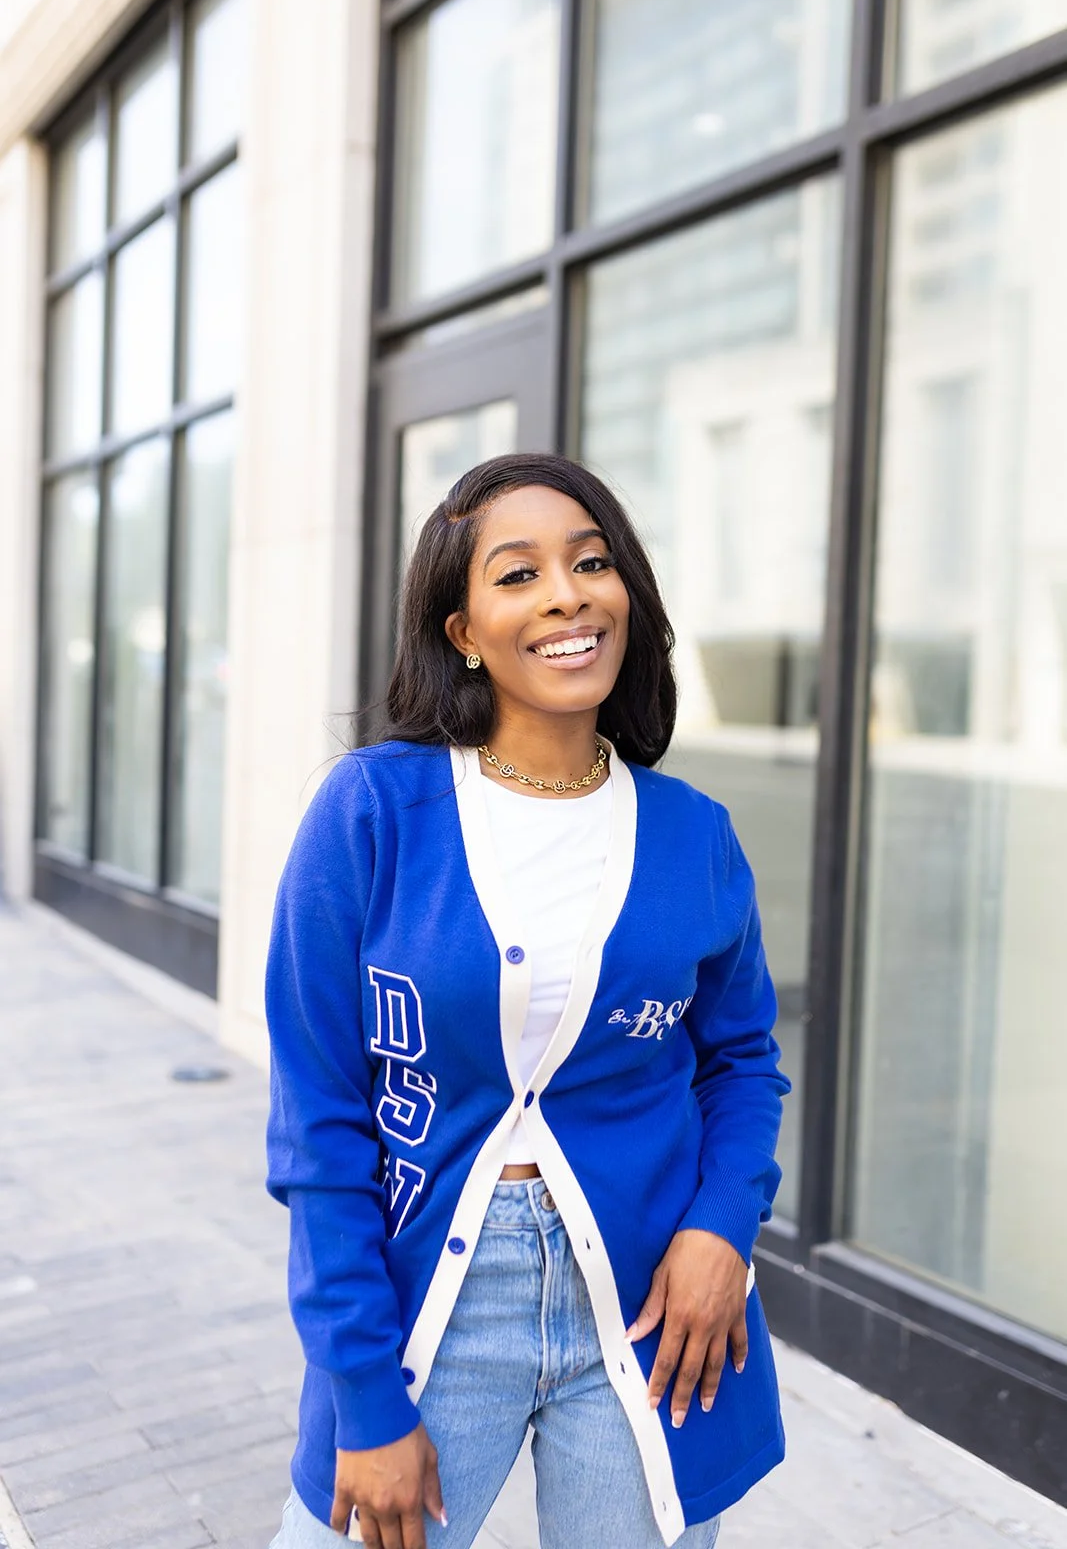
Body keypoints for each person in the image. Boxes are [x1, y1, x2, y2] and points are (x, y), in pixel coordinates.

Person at [265, 453, 790, 1549]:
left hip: (645, 1299)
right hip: (432, 1297)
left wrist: (722, 1229)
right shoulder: (373, 812)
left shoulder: (691, 833)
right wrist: (362, 1392)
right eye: (518, 575)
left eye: (590, 563)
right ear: (461, 629)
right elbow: (318, 1121)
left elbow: (740, 1059)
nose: (565, 596)